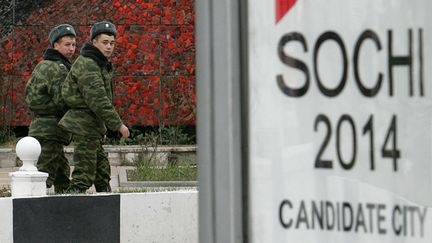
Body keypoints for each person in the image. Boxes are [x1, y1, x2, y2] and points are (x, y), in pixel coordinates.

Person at [59, 21, 129, 193]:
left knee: (102, 175)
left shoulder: (98, 63)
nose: (109, 47)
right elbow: (98, 100)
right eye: (105, 42)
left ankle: (106, 216)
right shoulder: (88, 64)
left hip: (92, 126)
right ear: (94, 42)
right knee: (83, 177)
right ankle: (67, 215)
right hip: (84, 126)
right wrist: (118, 125)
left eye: (112, 43)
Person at [25, 24, 77, 193]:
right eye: (67, 44)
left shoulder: (43, 65)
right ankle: (33, 212)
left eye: (74, 45)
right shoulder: (57, 68)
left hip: (41, 128)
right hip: (51, 130)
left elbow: (30, 96)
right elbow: (64, 100)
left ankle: (66, 209)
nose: (71, 49)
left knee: (62, 173)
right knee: (44, 176)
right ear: (56, 45)